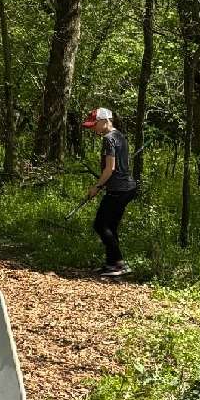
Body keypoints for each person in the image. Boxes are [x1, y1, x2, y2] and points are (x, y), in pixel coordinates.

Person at [82, 107, 137, 277]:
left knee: (100, 225)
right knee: (110, 226)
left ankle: (119, 264)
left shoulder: (108, 138)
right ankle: (111, 264)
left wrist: (96, 188)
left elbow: (109, 169)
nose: (94, 129)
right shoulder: (119, 135)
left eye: (95, 124)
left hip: (118, 190)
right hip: (127, 188)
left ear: (105, 121)